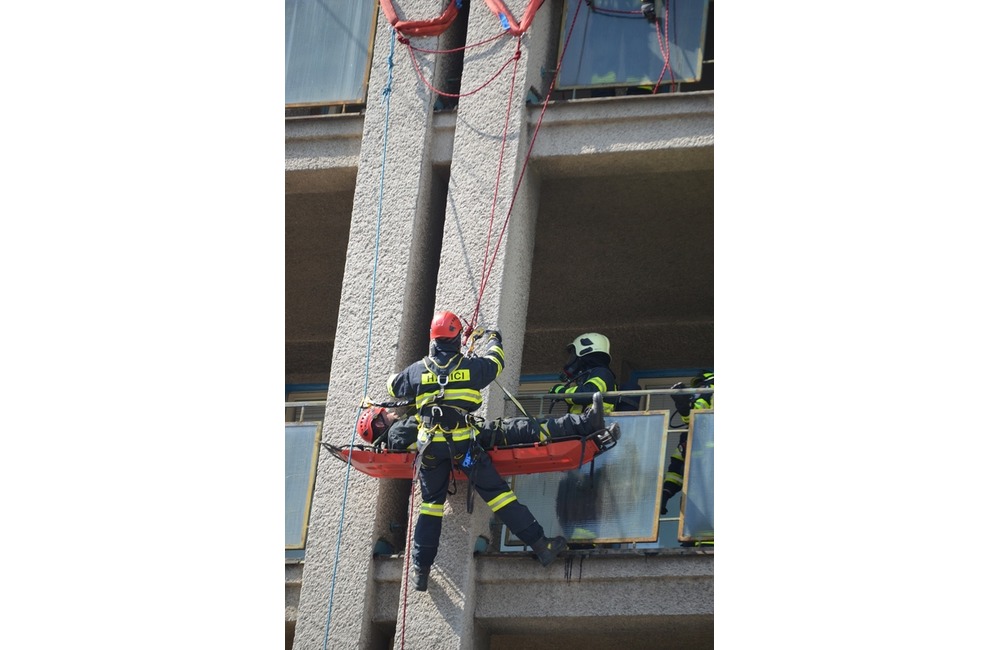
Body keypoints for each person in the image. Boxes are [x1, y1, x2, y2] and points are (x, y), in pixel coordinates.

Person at [385, 310, 569, 592]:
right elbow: (496, 362)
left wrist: (420, 377)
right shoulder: (471, 368)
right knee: (498, 495)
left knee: (430, 506)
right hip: (464, 451)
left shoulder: (418, 370)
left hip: (431, 453)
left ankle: (420, 571)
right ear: (457, 339)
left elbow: (393, 386)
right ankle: (541, 545)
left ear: (433, 340)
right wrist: (493, 338)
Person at [357, 393, 621, 452]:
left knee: (529, 428)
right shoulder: (398, 435)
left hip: (476, 436)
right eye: (385, 415)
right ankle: (587, 424)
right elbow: (433, 421)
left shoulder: (397, 437)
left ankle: (586, 427)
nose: (391, 413)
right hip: (478, 439)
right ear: (380, 425)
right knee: (529, 429)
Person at [660, 371, 714, 514]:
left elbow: (698, 414)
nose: (697, 396)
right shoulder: (687, 436)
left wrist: (686, 410)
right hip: (697, 501)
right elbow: (676, 469)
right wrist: (666, 492)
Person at [549, 333, 618, 415]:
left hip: (594, 424)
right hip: (582, 424)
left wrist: (561, 391)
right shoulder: (588, 377)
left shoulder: (602, 372)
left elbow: (588, 394)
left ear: (584, 352)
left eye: (573, 355)